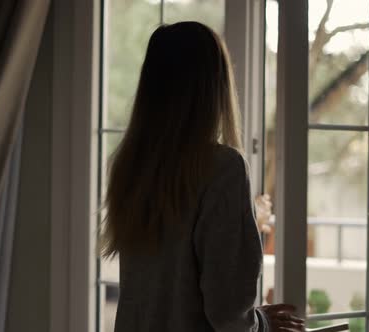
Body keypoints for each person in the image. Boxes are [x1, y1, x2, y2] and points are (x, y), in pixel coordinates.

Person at [99, 21, 305, 332]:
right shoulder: (223, 167)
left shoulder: (130, 166)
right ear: (215, 85)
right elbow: (227, 314)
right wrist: (262, 323)